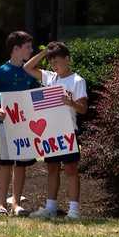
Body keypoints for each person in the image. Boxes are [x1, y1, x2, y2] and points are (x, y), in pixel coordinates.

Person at [24, 42, 88, 219]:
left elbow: (83, 109)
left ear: (67, 59)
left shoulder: (77, 80)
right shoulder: (50, 77)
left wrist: (71, 103)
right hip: (50, 131)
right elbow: (27, 67)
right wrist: (45, 52)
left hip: (68, 131)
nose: (54, 65)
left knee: (71, 169)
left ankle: (74, 210)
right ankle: (51, 207)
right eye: (52, 63)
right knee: (52, 168)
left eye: (57, 61)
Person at [0, 31, 40, 216]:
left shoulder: (30, 72)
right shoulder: (2, 71)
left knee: (21, 164)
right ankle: (1, 204)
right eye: (28, 47)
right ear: (16, 49)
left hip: (25, 124)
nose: (31, 50)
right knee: (5, 163)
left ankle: (16, 203)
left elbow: (36, 96)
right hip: (6, 124)